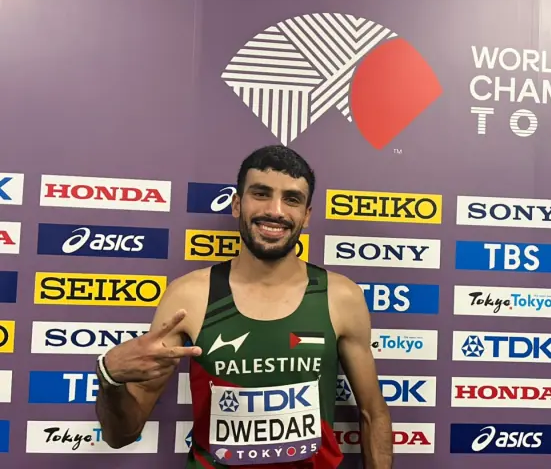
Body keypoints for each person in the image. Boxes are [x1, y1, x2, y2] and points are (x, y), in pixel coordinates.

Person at [94, 145, 393, 468]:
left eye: (291, 199)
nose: (275, 211)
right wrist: (111, 379)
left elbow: (373, 413)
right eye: (261, 194)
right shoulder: (189, 295)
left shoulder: (340, 296)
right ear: (237, 204)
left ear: (306, 215)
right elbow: (121, 434)